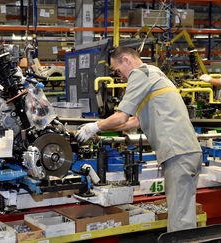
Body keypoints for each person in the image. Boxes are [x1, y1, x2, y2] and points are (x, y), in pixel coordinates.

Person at [76, 46, 202, 232]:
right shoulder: (154, 73)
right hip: (187, 152)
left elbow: (121, 117)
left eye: (118, 70)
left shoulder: (139, 74)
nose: (121, 77)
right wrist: (100, 132)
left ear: (126, 60)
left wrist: (93, 126)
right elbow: (133, 121)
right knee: (184, 213)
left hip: (178, 153)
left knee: (179, 222)